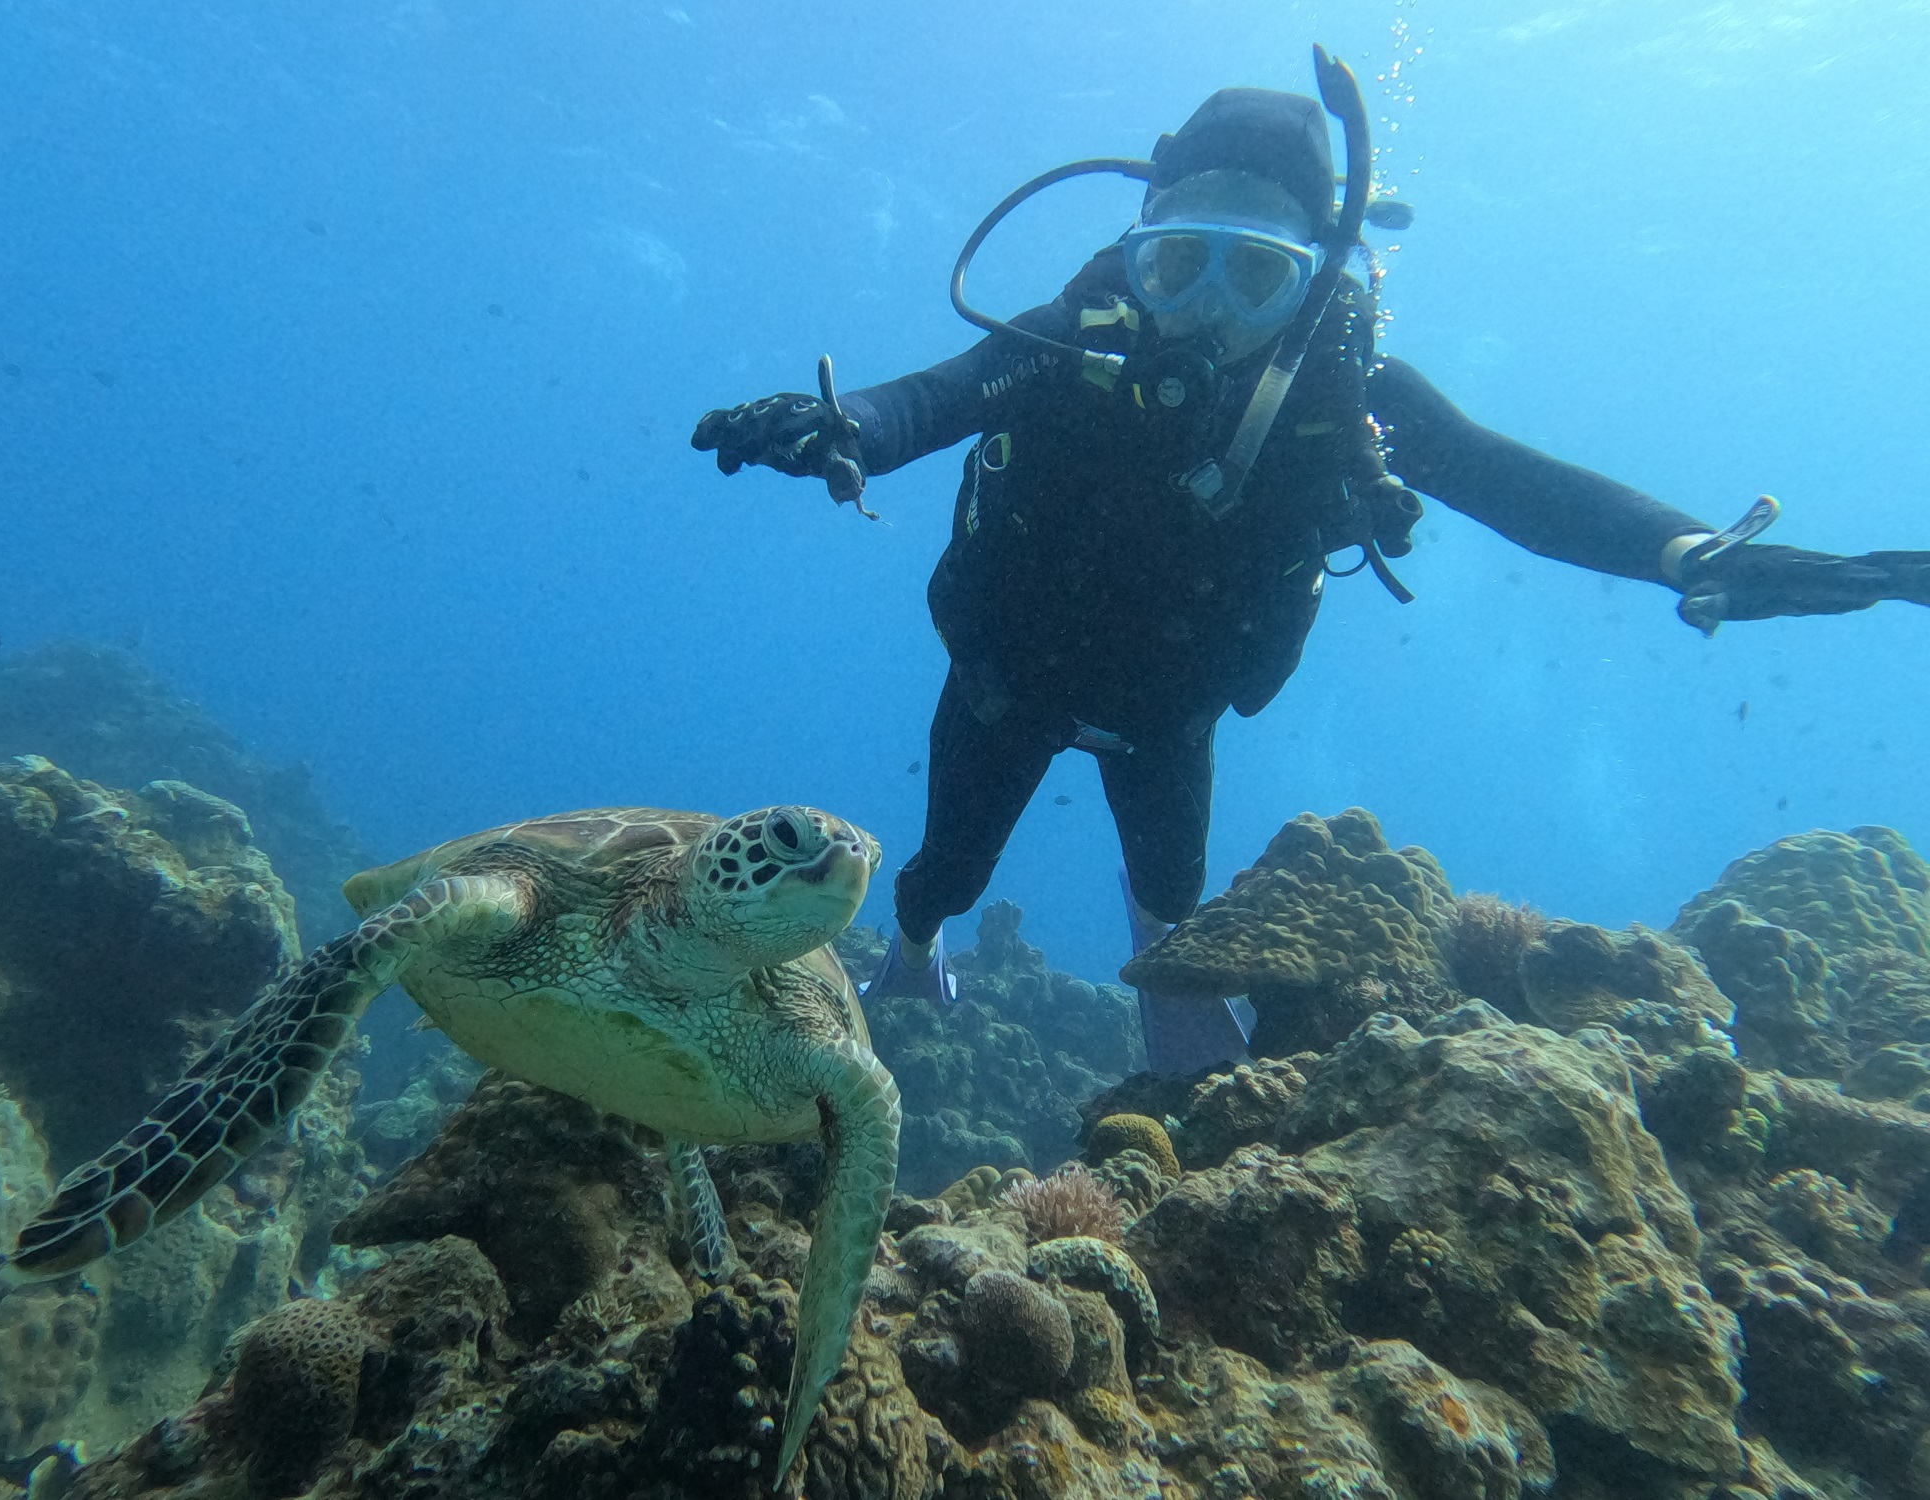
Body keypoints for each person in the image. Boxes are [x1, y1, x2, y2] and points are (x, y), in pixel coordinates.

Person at [692, 60, 1930, 1075]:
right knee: (938, 872)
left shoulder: (1349, 401)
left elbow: (1511, 483)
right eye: (1181, 266)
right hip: (1002, 683)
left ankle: (1165, 997)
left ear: (1314, 281)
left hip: (1166, 716)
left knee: (1171, 900)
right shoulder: (1065, 344)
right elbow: (933, 396)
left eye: (1258, 274)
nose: (1211, 314)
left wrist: (1683, 550)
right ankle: (913, 956)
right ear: (1138, 255)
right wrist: (840, 424)